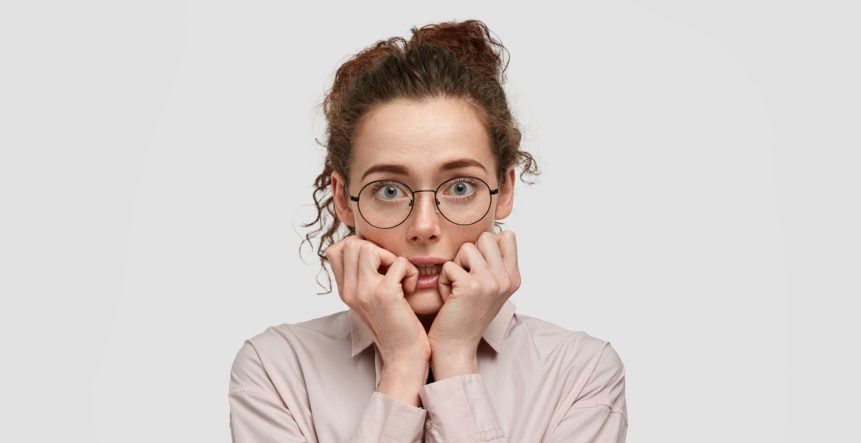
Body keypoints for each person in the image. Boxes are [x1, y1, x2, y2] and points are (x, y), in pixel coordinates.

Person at [228, 20, 627, 442]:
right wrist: (403, 365)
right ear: (344, 198)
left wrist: (454, 360)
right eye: (388, 189)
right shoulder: (275, 370)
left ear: (504, 190)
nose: (424, 227)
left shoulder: (582, 374)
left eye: (459, 187)